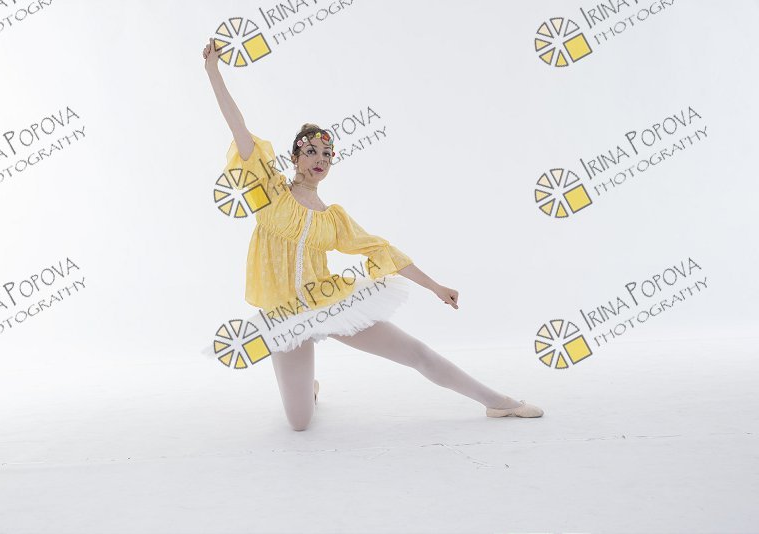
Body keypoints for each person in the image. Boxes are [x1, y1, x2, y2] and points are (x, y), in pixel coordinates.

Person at [202, 38, 543, 431]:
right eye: (311, 152)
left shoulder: (333, 219)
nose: (320, 159)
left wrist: (435, 286)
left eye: (327, 154)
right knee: (299, 423)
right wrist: (213, 71)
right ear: (294, 157)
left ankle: (498, 402)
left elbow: (382, 251)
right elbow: (239, 128)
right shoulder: (271, 192)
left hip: (328, 301)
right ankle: (309, 388)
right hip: (285, 314)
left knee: (416, 352)